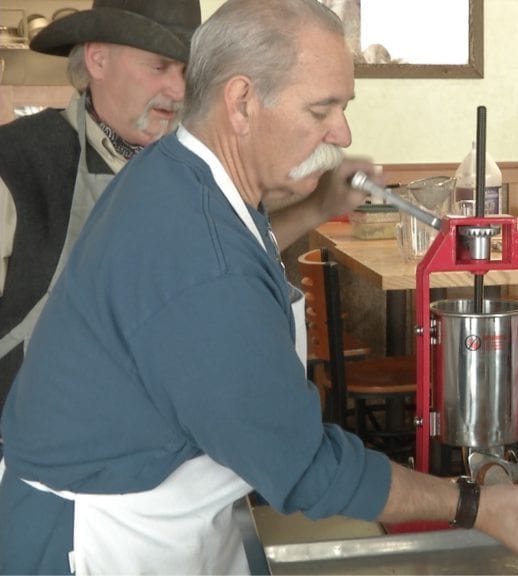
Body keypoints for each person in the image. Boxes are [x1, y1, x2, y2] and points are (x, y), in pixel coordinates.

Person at [0, 1, 518, 573]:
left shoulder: (186, 176)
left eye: (343, 106)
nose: (343, 130)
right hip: (100, 543)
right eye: (321, 108)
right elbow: (304, 468)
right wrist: (476, 505)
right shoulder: (200, 254)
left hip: (164, 513)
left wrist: (318, 202)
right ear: (242, 102)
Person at [0, 0, 378, 453]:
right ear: (98, 58)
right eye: (159, 67)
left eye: (186, 71)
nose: (178, 91)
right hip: (47, 465)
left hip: (177, 455)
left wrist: (317, 206)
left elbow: (226, 255)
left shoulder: (194, 166)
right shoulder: (16, 164)